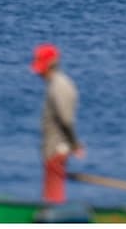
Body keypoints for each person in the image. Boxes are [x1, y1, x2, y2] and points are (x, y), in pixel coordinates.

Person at [33, 43, 84, 204]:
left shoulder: (59, 86)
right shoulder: (59, 84)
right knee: (51, 191)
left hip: (56, 147)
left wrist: (74, 145)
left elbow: (66, 120)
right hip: (54, 147)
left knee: (53, 197)